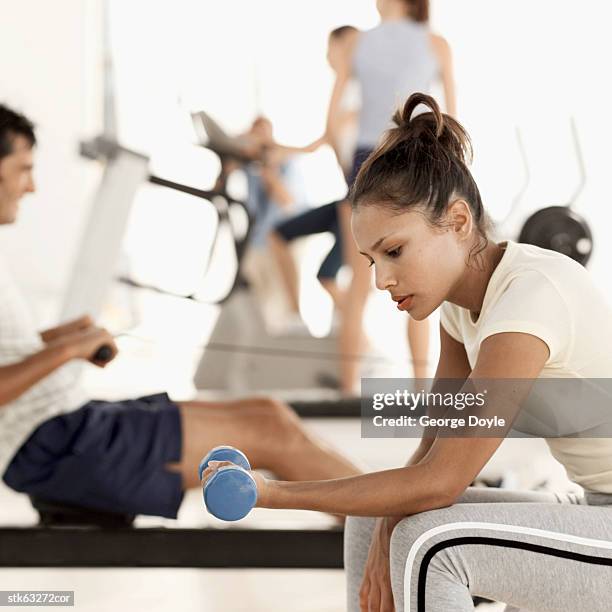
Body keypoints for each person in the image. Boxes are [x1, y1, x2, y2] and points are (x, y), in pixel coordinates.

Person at [203, 93, 612, 611]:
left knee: (434, 545)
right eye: (372, 260)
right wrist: (381, 534)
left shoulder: (528, 299)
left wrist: (270, 494)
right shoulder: (459, 308)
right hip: (592, 506)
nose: (380, 280)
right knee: (371, 523)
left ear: (459, 221)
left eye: (394, 251)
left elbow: (441, 482)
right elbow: (432, 448)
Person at [0, 103, 361, 519]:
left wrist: (58, 339)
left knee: (268, 411)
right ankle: (392, 534)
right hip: (54, 444)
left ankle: (384, 515)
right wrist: (67, 351)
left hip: (68, 423)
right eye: (23, 169)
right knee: (270, 433)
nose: (31, 187)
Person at [271, 0, 456, 393]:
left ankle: (347, 388)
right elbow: (449, 120)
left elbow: (331, 120)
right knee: (421, 273)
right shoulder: (436, 43)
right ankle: (422, 389)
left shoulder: (359, 44)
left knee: (359, 282)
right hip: (417, 160)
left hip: (366, 161)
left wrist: (348, 173)